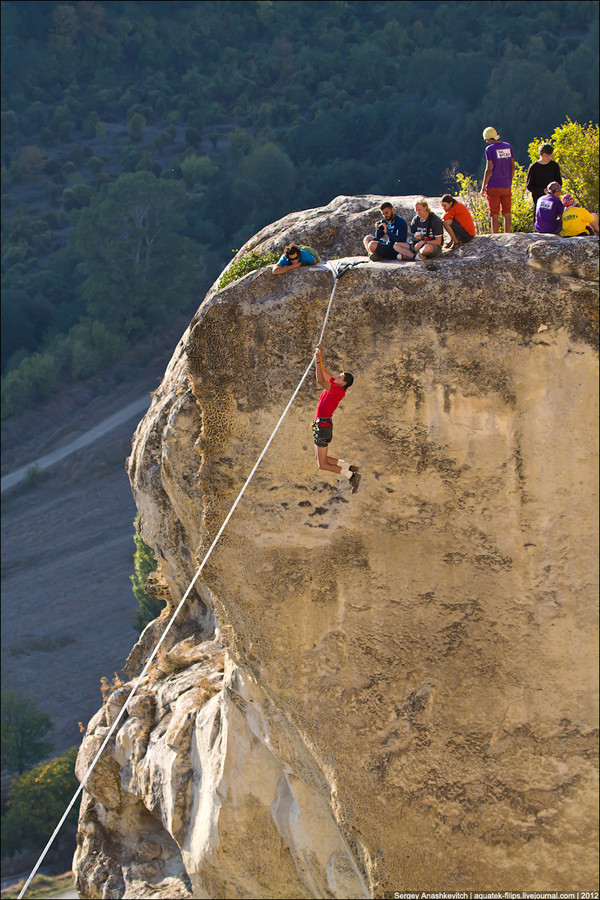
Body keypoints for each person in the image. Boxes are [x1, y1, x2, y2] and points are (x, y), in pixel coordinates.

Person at [312, 343, 360, 494]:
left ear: (344, 383)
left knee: (323, 464)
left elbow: (320, 380)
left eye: (340, 376)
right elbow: (325, 373)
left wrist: (318, 362)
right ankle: (349, 467)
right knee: (321, 458)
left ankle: (351, 475)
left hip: (324, 427)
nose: (337, 376)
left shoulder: (338, 391)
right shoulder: (335, 384)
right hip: (320, 425)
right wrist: (319, 356)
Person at [481, 126, 515, 234]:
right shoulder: (508, 147)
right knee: (507, 213)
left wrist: (483, 187)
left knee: (494, 214)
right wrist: (509, 179)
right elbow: (512, 166)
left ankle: (495, 237)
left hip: (493, 185)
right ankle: (508, 235)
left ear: (489, 139)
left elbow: (488, 169)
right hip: (506, 185)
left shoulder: (489, 149)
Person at [526, 143, 562, 209]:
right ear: (540, 154)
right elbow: (529, 186)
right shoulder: (534, 167)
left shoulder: (554, 166)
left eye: (550, 156)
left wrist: (553, 191)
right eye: (546, 156)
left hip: (552, 199)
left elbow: (559, 182)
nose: (548, 158)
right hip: (538, 201)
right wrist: (543, 191)